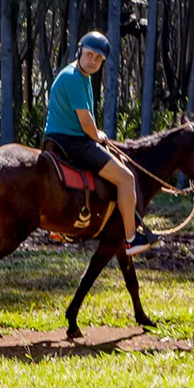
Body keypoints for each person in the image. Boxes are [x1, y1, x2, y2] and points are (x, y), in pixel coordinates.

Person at [43, 31, 160, 255]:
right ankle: (131, 239)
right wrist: (99, 136)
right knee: (126, 178)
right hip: (74, 142)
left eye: (99, 59)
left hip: (59, 139)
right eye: (90, 55)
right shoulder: (74, 79)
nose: (94, 61)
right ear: (80, 52)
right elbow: (86, 123)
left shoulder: (77, 75)